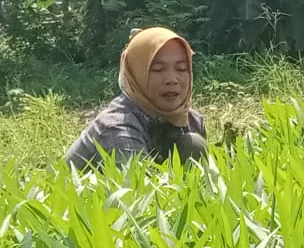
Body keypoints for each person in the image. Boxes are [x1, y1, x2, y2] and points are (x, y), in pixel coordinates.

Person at [65, 27, 208, 170]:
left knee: (193, 143)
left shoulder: (191, 121)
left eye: (181, 69)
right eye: (158, 69)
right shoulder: (117, 128)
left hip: (160, 186)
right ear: (136, 74)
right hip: (96, 191)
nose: (172, 80)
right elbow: (139, 190)